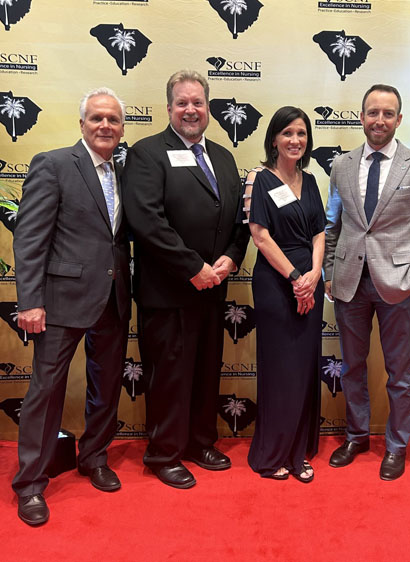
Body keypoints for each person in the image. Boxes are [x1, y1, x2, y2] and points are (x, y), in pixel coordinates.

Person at [122, 70, 249, 489]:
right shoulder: (147, 153)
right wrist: (192, 267)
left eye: (198, 103)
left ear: (208, 108)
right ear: (169, 108)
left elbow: (238, 219)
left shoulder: (225, 157)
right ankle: (164, 453)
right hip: (170, 290)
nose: (191, 110)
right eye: (182, 103)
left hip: (214, 289)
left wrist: (231, 257)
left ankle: (198, 442)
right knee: (171, 375)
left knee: (205, 372)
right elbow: (147, 220)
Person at [12, 88, 131, 526]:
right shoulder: (55, 163)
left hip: (114, 297)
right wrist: (30, 302)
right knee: (46, 392)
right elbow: (29, 238)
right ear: (82, 123)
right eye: (97, 118)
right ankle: (30, 483)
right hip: (60, 301)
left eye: (113, 120)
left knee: (107, 383)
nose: (105, 126)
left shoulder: (123, 170)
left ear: (122, 128)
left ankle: (95, 457)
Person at [324, 84, 410, 480]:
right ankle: (356, 436)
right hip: (349, 283)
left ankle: (397, 446)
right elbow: (333, 224)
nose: (379, 120)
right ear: (361, 117)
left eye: (387, 113)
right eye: (372, 112)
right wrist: (327, 270)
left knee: (399, 373)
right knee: (352, 367)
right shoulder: (341, 165)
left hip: (396, 284)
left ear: (399, 119)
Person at [245, 107, 325, 483]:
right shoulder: (259, 178)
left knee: (305, 366)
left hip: (311, 280)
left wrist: (314, 274)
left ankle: (298, 450)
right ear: (274, 138)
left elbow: (320, 233)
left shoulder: (310, 181)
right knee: (281, 369)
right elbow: (260, 236)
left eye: (302, 133)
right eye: (288, 133)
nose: (296, 140)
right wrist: (295, 278)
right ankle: (273, 452)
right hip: (277, 284)